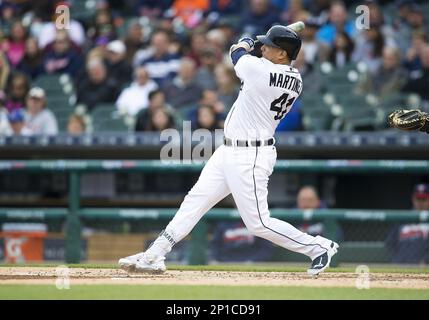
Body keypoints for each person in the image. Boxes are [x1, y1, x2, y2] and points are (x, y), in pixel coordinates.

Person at [119, 25, 339, 275]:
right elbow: (257, 57)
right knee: (195, 201)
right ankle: (154, 254)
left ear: (281, 54)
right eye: (265, 44)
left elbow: (236, 52)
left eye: (271, 46)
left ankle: (318, 247)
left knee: (258, 223)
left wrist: (248, 40)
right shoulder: (294, 78)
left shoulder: (260, 70)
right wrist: (262, 45)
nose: (265, 47)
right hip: (229, 150)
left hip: (251, 155)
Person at [386, 183, 429, 264]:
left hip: (422, 266)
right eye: (418, 198)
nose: (420, 202)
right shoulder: (403, 219)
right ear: (413, 199)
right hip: (400, 264)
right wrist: (398, 259)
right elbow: (390, 241)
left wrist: (426, 260)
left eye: (424, 199)